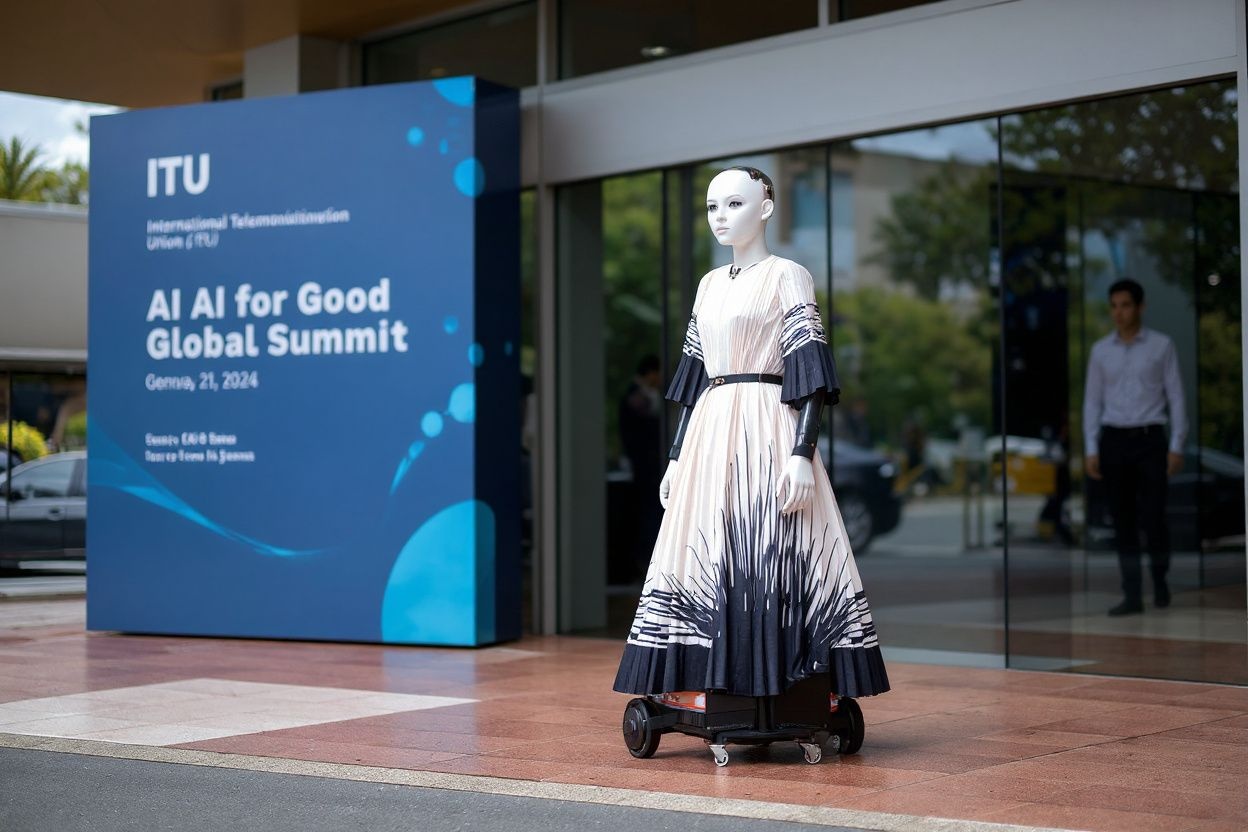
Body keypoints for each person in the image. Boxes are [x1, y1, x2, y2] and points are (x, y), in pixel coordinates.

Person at [613, 167, 889, 700]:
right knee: (707, 549)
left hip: (768, 421)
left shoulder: (789, 275)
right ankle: (704, 681)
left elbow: (809, 369)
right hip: (711, 431)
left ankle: (795, 685)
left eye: (734, 204)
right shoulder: (708, 285)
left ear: (765, 207)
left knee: (775, 545)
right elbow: (694, 380)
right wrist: (675, 456)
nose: (720, 217)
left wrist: (801, 453)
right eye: (713, 207)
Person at [1083, 278, 1187, 617]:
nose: (1119, 312)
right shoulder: (1100, 351)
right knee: (1123, 520)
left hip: (1150, 438)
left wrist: (1176, 445)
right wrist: (1090, 447)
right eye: (1113, 306)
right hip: (1113, 440)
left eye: (1125, 305)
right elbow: (1092, 401)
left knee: (1154, 517)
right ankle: (1131, 594)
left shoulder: (1161, 346)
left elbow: (1176, 395)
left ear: (1140, 307)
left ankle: (1159, 580)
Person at [618, 354, 664, 574]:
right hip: (644, 467)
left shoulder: (644, 396)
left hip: (648, 467)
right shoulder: (634, 397)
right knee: (646, 513)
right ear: (651, 373)